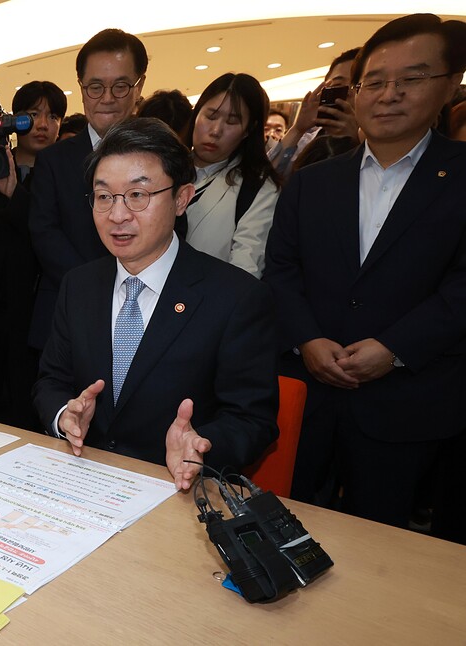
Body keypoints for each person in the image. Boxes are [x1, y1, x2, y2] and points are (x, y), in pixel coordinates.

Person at [263, 14, 466, 539]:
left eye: (412, 78)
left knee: (382, 544)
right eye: (374, 81)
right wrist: (308, 339)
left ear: (449, 85)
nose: (389, 94)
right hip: (309, 392)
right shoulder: (312, 181)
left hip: (407, 400)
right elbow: (281, 269)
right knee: (285, 528)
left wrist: (394, 348)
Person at [33, 118, 278, 491]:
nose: (118, 215)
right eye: (104, 196)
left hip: (174, 491)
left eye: (137, 194)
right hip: (83, 482)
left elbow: (252, 420)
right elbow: (52, 380)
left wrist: (201, 445)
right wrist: (66, 414)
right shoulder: (78, 285)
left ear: (181, 198)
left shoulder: (236, 297)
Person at [27, 28, 148, 353]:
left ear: (139, 86)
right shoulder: (53, 160)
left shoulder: (159, 158)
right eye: (95, 87)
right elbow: (44, 233)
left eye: (120, 86)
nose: (107, 98)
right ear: (81, 87)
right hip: (65, 311)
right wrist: (98, 287)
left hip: (143, 309)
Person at [0, 81, 66, 430]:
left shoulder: (66, 175)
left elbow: (49, 236)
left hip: (36, 309)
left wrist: (13, 192)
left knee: (29, 398)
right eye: (33, 114)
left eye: (53, 116)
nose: (42, 124)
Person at [182, 73, 281, 278]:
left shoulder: (257, 187)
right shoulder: (163, 167)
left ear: (248, 130)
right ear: (196, 114)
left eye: (232, 121)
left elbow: (246, 268)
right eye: (211, 116)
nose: (216, 130)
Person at [269, 47, 362, 177]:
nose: (348, 93)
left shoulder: (377, 142)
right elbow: (266, 178)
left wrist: (354, 141)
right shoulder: (306, 141)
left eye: (356, 85)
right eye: (338, 85)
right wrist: (297, 129)